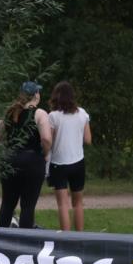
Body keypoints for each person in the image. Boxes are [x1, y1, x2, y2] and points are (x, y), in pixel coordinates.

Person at [0, 81, 52, 229]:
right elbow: (46, 138)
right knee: (27, 205)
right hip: (32, 161)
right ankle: (24, 243)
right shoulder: (39, 113)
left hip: (10, 160)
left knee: (7, 204)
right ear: (36, 95)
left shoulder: (11, 112)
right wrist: (45, 153)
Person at [47, 81, 91, 231]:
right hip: (78, 163)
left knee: (62, 204)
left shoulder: (52, 116)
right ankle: (80, 237)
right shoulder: (82, 113)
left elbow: (49, 141)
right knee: (78, 202)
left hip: (59, 164)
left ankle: (66, 240)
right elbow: (88, 139)